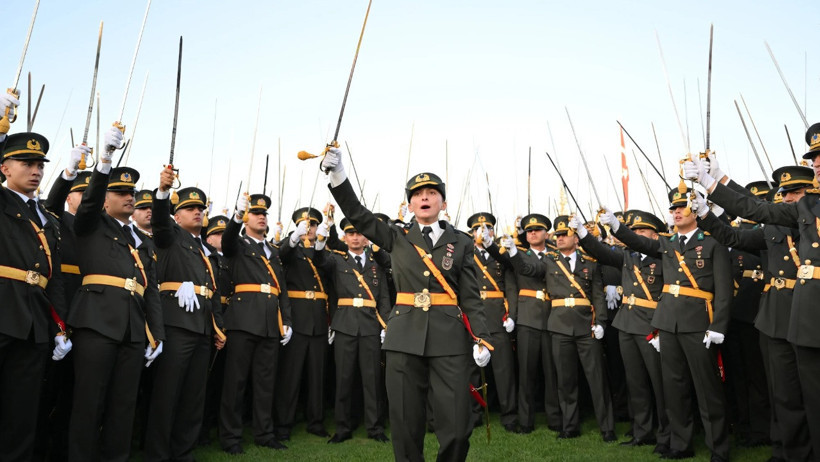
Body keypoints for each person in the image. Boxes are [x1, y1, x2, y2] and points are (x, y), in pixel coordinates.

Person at [323, 148, 492, 462]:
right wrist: (338, 175)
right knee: (404, 423)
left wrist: (481, 338)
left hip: (449, 338)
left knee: (457, 425)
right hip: (404, 337)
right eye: (417, 194)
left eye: (431, 193)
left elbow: (471, 296)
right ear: (410, 204)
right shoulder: (396, 236)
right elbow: (358, 214)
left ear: (443, 202)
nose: (424, 198)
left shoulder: (462, 241)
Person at [685, 142, 820, 459]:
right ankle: (790, 451)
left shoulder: (808, 215)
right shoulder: (789, 218)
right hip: (781, 313)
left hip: (807, 311)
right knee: (784, 392)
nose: (787, 198)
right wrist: (707, 207)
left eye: (795, 192)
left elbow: (755, 207)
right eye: (784, 193)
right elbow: (745, 222)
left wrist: (715, 182)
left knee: (811, 395)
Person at [600, 188, 732, 461]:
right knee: (675, 387)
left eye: (682, 207)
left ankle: (718, 449)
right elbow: (639, 243)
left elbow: (724, 289)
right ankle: (681, 445)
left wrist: (718, 325)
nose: (676, 212)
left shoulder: (712, 242)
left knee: (707, 390)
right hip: (667, 322)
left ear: (695, 210)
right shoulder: (666, 243)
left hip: (698, 323)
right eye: (673, 209)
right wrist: (615, 225)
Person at [67, 126, 165, 461]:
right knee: (88, 403)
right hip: (96, 322)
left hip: (133, 329)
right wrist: (104, 161)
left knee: (124, 405)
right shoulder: (91, 223)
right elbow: (90, 202)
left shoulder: (144, 241)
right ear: (105, 198)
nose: (129, 196)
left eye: (132, 191)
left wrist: (157, 334)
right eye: (120, 191)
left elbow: (149, 290)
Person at [502, 216, 615, 442]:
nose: (560, 237)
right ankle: (570, 426)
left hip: (586, 326)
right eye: (558, 234)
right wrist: (514, 251)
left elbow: (597, 296)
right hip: (560, 326)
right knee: (565, 381)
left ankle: (608, 428)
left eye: (565, 234)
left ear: (576, 237)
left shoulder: (589, 262)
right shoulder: (549, 261)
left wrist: (600, 322)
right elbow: (527, 267)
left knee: (597, 380)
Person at [571, 210, 671, 454]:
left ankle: (666, 434)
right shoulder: (628, 255)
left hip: (652, 324)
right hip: (627, 323)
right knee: (635, 382)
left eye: (641, 231)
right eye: (633, 230)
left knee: (661, 384)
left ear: (654, 235)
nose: (636, 235)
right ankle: (642, 431)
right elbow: (601, 252)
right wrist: (583, 233)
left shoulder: (664, 254)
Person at [143, 179, 226, 461]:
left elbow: (212, 291)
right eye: (190, 208)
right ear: (176, 216)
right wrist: (163, 192)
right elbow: (161, 221)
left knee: (193, 396)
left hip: (201, 326)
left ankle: (184, 452)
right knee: (167, 394)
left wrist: (217, 326)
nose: (197, 213)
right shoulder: (170, 235)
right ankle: (158, 453)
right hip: (176, 324)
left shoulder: (206, 250)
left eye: (200, 208)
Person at [0, 129, 69, 461]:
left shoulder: (48, 219)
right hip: (2, 310)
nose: (36, 170)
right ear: (4, 168)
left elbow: (52, 279)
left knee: (23, 410)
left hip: (34, 320)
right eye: (26, 163)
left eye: (40, 164)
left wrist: (60, 327)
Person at [219, 193, 292, 455]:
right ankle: (230, 437)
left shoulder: (272, 251)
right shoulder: (237, 244)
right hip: (242, 320)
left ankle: (264, 433)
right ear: (247, 218)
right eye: (256, 213)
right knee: (235, 383)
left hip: (270, 324)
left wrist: (287, 321)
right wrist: (236, 217)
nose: (262, 217)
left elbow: (281, 288)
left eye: (264, 214)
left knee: (265, 383)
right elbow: (226, 241)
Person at [487, 213, 562, 434]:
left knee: (552, 373)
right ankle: (526, 421)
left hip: (552, 316)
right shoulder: (517, 255)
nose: (533, 233)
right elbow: (504, 262)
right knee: (526, 374)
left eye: (537, 230)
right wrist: (491, 244)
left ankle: (555, 419)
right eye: (529, 231)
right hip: (528, 318)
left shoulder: (556, 255)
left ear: (546, 233)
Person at [320, 217, 390, 443]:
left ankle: (375, 427)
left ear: (365, 237)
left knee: (372, 380)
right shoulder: (336, 259)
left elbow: (384, 297)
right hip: (345, 325)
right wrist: (322, 238)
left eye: (359, 233)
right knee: (344, 378)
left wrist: (385, 324)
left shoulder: (376, 260)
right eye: (350, 234)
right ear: (344, 237)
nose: (355, 237)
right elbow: (319, 260)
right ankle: (343, 427)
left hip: (370, 325)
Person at [274, 207, 333, 440]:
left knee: (317, 376)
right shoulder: (290, 249)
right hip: (296, 318)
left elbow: (328, 271)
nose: (310, 229)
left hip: (319, 318)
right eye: (305, 225)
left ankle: (316, 421)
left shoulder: (322, 252)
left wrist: (321, 244)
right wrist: (294, 237)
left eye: (313, 225)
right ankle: (284, 423)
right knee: (290, 374)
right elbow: (281, 255)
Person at [469, 213, 518, 433]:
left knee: (504, 370)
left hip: (498, 316)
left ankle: (509, 415)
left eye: (487, 228)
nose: (482, 232)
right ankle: (474, 413)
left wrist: (512, 315)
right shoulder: (466, 255)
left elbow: (511, 288)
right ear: (471, 234)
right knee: (472, 369)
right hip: (474, 318)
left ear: (493, 233)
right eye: (478, 229)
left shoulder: (501, 255)